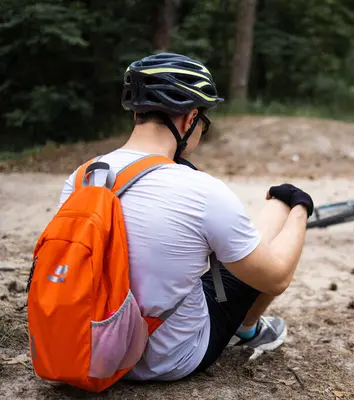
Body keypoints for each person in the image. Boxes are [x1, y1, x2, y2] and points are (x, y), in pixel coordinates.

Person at [57, 53, 313, 381]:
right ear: (190, 118)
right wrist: (301, 207)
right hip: (167, 359)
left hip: (90, 347)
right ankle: (247, 330)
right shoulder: (202, 191)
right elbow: (276, 278)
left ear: (137, 112)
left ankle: (248, 327)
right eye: (203, 122)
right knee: (276, 211)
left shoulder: (83, 176)